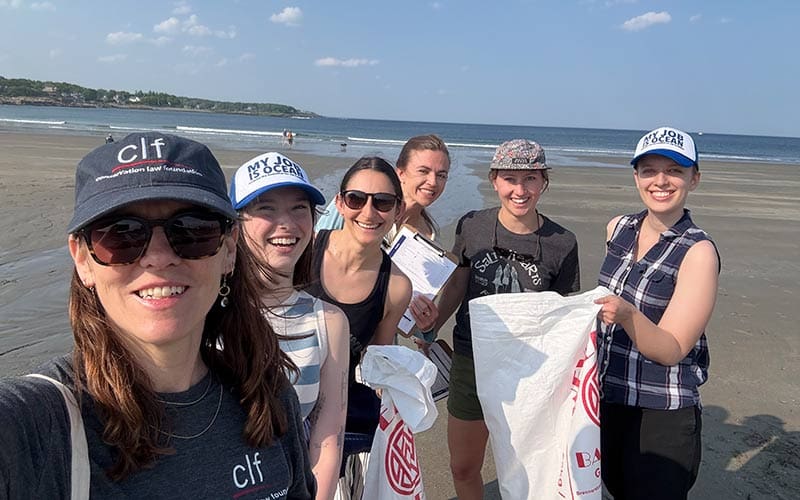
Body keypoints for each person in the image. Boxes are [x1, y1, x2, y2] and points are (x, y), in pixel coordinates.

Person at [0, 133, 315, 498]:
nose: (159, 257)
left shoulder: (268, 399)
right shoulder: (39, 426)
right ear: (83, 259)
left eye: (193, 230)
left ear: (229, 249)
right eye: (122, 235)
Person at [432, 139, 580, 500]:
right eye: (510, 178)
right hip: (470, 362)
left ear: (543, 182)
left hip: (530, 370)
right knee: (463, 466)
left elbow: (564, 319)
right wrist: (429, 327)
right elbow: (456, 287)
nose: (520, 190)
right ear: (494, 180)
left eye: (530, 178)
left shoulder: (563, 242)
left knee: (527, 462)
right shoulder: (473, 226)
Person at [594, 126, 720, 500]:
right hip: (608, 398)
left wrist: (629, 315)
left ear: (693, 179)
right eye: (649, 170)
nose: (660, 181)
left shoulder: (698, 252)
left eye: (675, 170)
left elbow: (672, 348)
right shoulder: (619, 227)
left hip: (661, 410)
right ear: (636, 177)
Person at [230, 151, 350, 500]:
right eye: (266, 208)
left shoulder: (329, 322)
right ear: (235, 224)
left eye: (299, 208)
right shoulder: (205, 314)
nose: (287, 223)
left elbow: (327, 437)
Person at [305, 156, 412, 496]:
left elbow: (377, 364)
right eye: (356, 199)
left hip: (333, 418)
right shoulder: (306, 251)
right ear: (339, 202)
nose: (368, 213)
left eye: (383, 202)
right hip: (276, 403)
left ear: (398, 209)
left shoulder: (396, 286)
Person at [315, 134, 452, 340]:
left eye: (441, 175)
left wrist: (426, 327)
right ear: (401, 173)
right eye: (424, 171)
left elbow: (403, 321)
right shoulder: (353, 205)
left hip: (367, 344)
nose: (432, 182)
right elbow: (312, 258)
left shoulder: (429, 240)